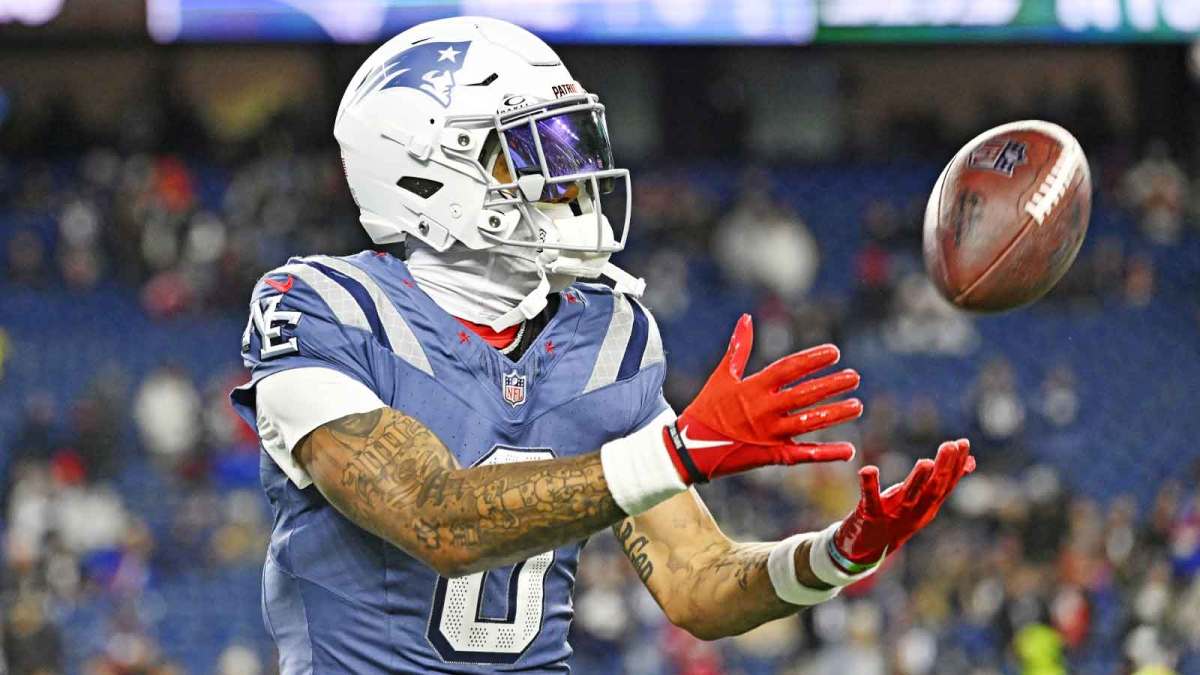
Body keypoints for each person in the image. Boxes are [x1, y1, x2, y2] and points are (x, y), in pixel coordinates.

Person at [229, 17, 974, 674]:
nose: (569, 175)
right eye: (528, 150)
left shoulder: (605, 331)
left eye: (570, 140)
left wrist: (835, 553)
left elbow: (696, 580)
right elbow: (437, 518)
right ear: (426, 174)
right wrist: (678, 450)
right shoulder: (325, 307)